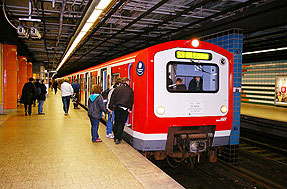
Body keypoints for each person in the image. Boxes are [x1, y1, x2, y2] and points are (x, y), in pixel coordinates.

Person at [109, 77, 134, 144]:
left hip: (117, 108)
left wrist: (110, 107)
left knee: (117, 121)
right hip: (125, 109)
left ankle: (115, 134)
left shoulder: (117, 89)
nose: (129, 83)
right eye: (129, 82)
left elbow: (112, 98)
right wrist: (130, 109)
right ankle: (117, 138)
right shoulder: (130, 90)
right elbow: (131, 100)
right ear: (126, 82)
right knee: (121, 124)